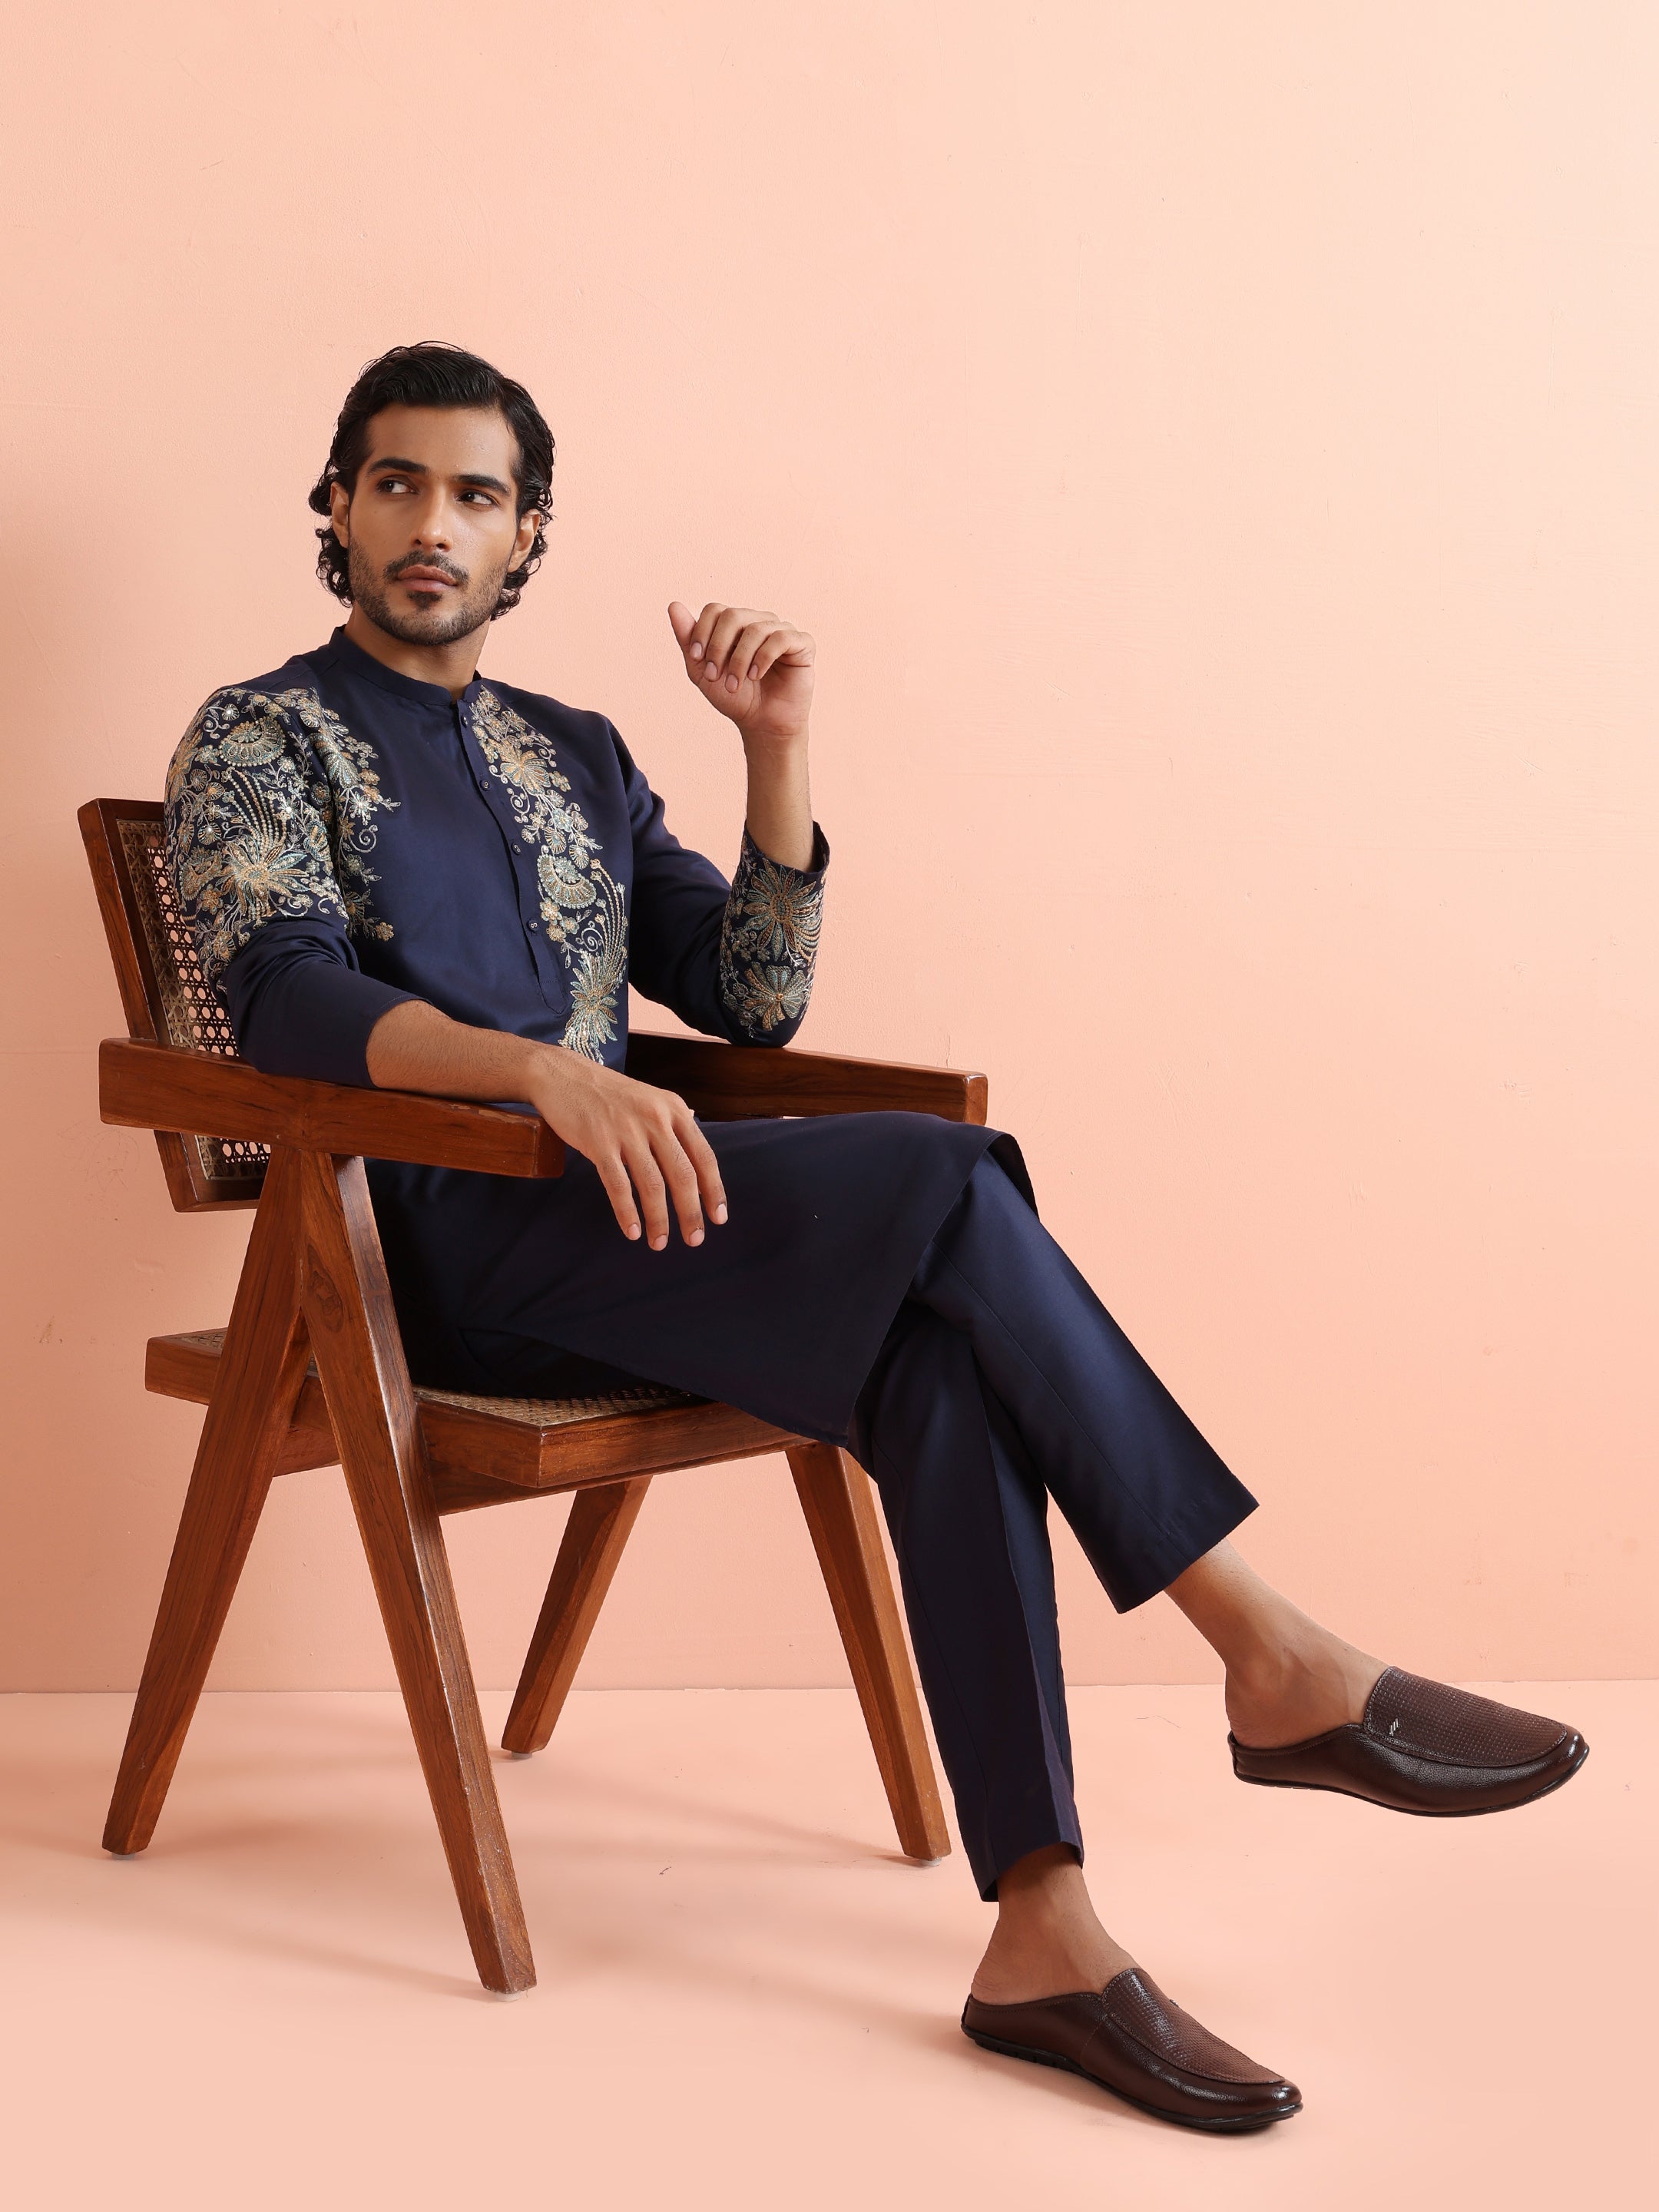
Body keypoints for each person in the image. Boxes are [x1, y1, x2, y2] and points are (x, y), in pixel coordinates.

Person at [164, 341, 1588, 2133]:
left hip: (643, 1230)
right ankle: (1268, 1648)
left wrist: (773, 750)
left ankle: (1043, 1928)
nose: (431, 524)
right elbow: (284, 1004)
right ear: (339, 505)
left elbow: (748, 996)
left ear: (527, 536)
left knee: (938, 1359)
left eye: (475, 495)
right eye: (396, 484)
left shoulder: (577, 753)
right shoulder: (262, 734)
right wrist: (539, 1073)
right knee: (948, 1174)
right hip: (435, 1257)